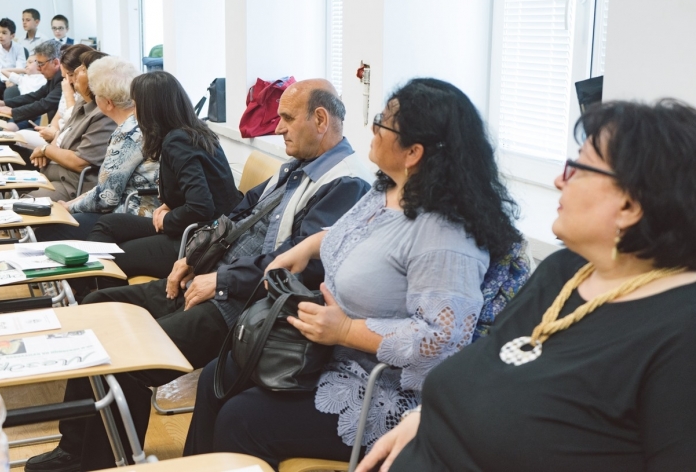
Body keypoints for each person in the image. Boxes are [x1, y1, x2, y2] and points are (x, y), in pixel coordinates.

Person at [25, 78, 374, 472]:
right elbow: (238, 211)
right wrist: (192, 258)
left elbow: (302, 264)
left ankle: (99, 463)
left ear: (321, 120)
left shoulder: (346, 183)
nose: (277, 128)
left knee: (129, 359)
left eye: (288, 119)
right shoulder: (297, 166)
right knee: (97, 307)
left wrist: (221, 280)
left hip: (244, 306)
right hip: (212, 281)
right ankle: (74, 447)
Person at [183, 78, 526, 468]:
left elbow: (441, 340)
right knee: (217, 377)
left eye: (383, 123)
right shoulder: (387, 191)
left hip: (379, 385)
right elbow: (355, 235)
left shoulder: (445, 236)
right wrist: (309, 245)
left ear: (414, 152)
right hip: (327, 353)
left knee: (242, 420)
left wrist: (345, 330)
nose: (373, 128)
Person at [356, 99, 696, 472]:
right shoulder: (564, 271)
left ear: (630, 205)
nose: (559, 181)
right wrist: (426, 416)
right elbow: (489, 365)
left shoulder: (681, 331)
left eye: (578, 169)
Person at [82, 70, 242, 288]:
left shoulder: (178, 142)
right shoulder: (194, 131)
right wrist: (169, 204)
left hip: (199, 238)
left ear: (151, 109)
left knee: (115, 257)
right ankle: (94, 288)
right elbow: (197, 190)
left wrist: (167, 220)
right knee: (107, 224)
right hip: (198, 226)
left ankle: (98, 295)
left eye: (136, 105)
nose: (134, 112)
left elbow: (201, 207)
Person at [33, 56, 158, 240]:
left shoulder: (127, 133)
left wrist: (69, 207)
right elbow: (106, 187)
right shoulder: (143, 121)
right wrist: (73, 203)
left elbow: (106, 198)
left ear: (108, 103)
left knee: (50, 230)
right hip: (141, 210)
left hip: (133, 215)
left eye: (95, 94)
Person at [24, 50, 113, 203]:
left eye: (83, 69)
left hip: (72, 185)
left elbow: (80, 162)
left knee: (24, 202)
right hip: (56, 174)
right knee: (12, 190)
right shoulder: (82, 103)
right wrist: (47, 151)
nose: (76, 72)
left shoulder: (103, 114)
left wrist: (46, 150)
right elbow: (62, 135)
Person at [15, 44, 91, 150]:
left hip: (68, 140)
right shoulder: (65, 82)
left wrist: (48, 148)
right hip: (57, 136)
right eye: (65, 77)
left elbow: (75, 126)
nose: (68, 80)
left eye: (71, 75)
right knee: (19, 136)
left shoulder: (82, 92)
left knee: (20, 137)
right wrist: (51, 132)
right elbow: (58, 115)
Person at [0, 39, 62, 130]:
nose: (38, 68)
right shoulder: (53, 78)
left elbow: (46, 104)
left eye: (41, 64)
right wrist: (4, 103)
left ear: (55, 63)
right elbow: (34, 96)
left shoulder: (63, 79)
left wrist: (12, 111)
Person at [0, 17, 26, 99]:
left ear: (12, 36)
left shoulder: (19, 48)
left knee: (22, 86)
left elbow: (20, 67)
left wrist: (14, 79)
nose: (0, 36)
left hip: (16, 74)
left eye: (4, 33)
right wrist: (6, 80)